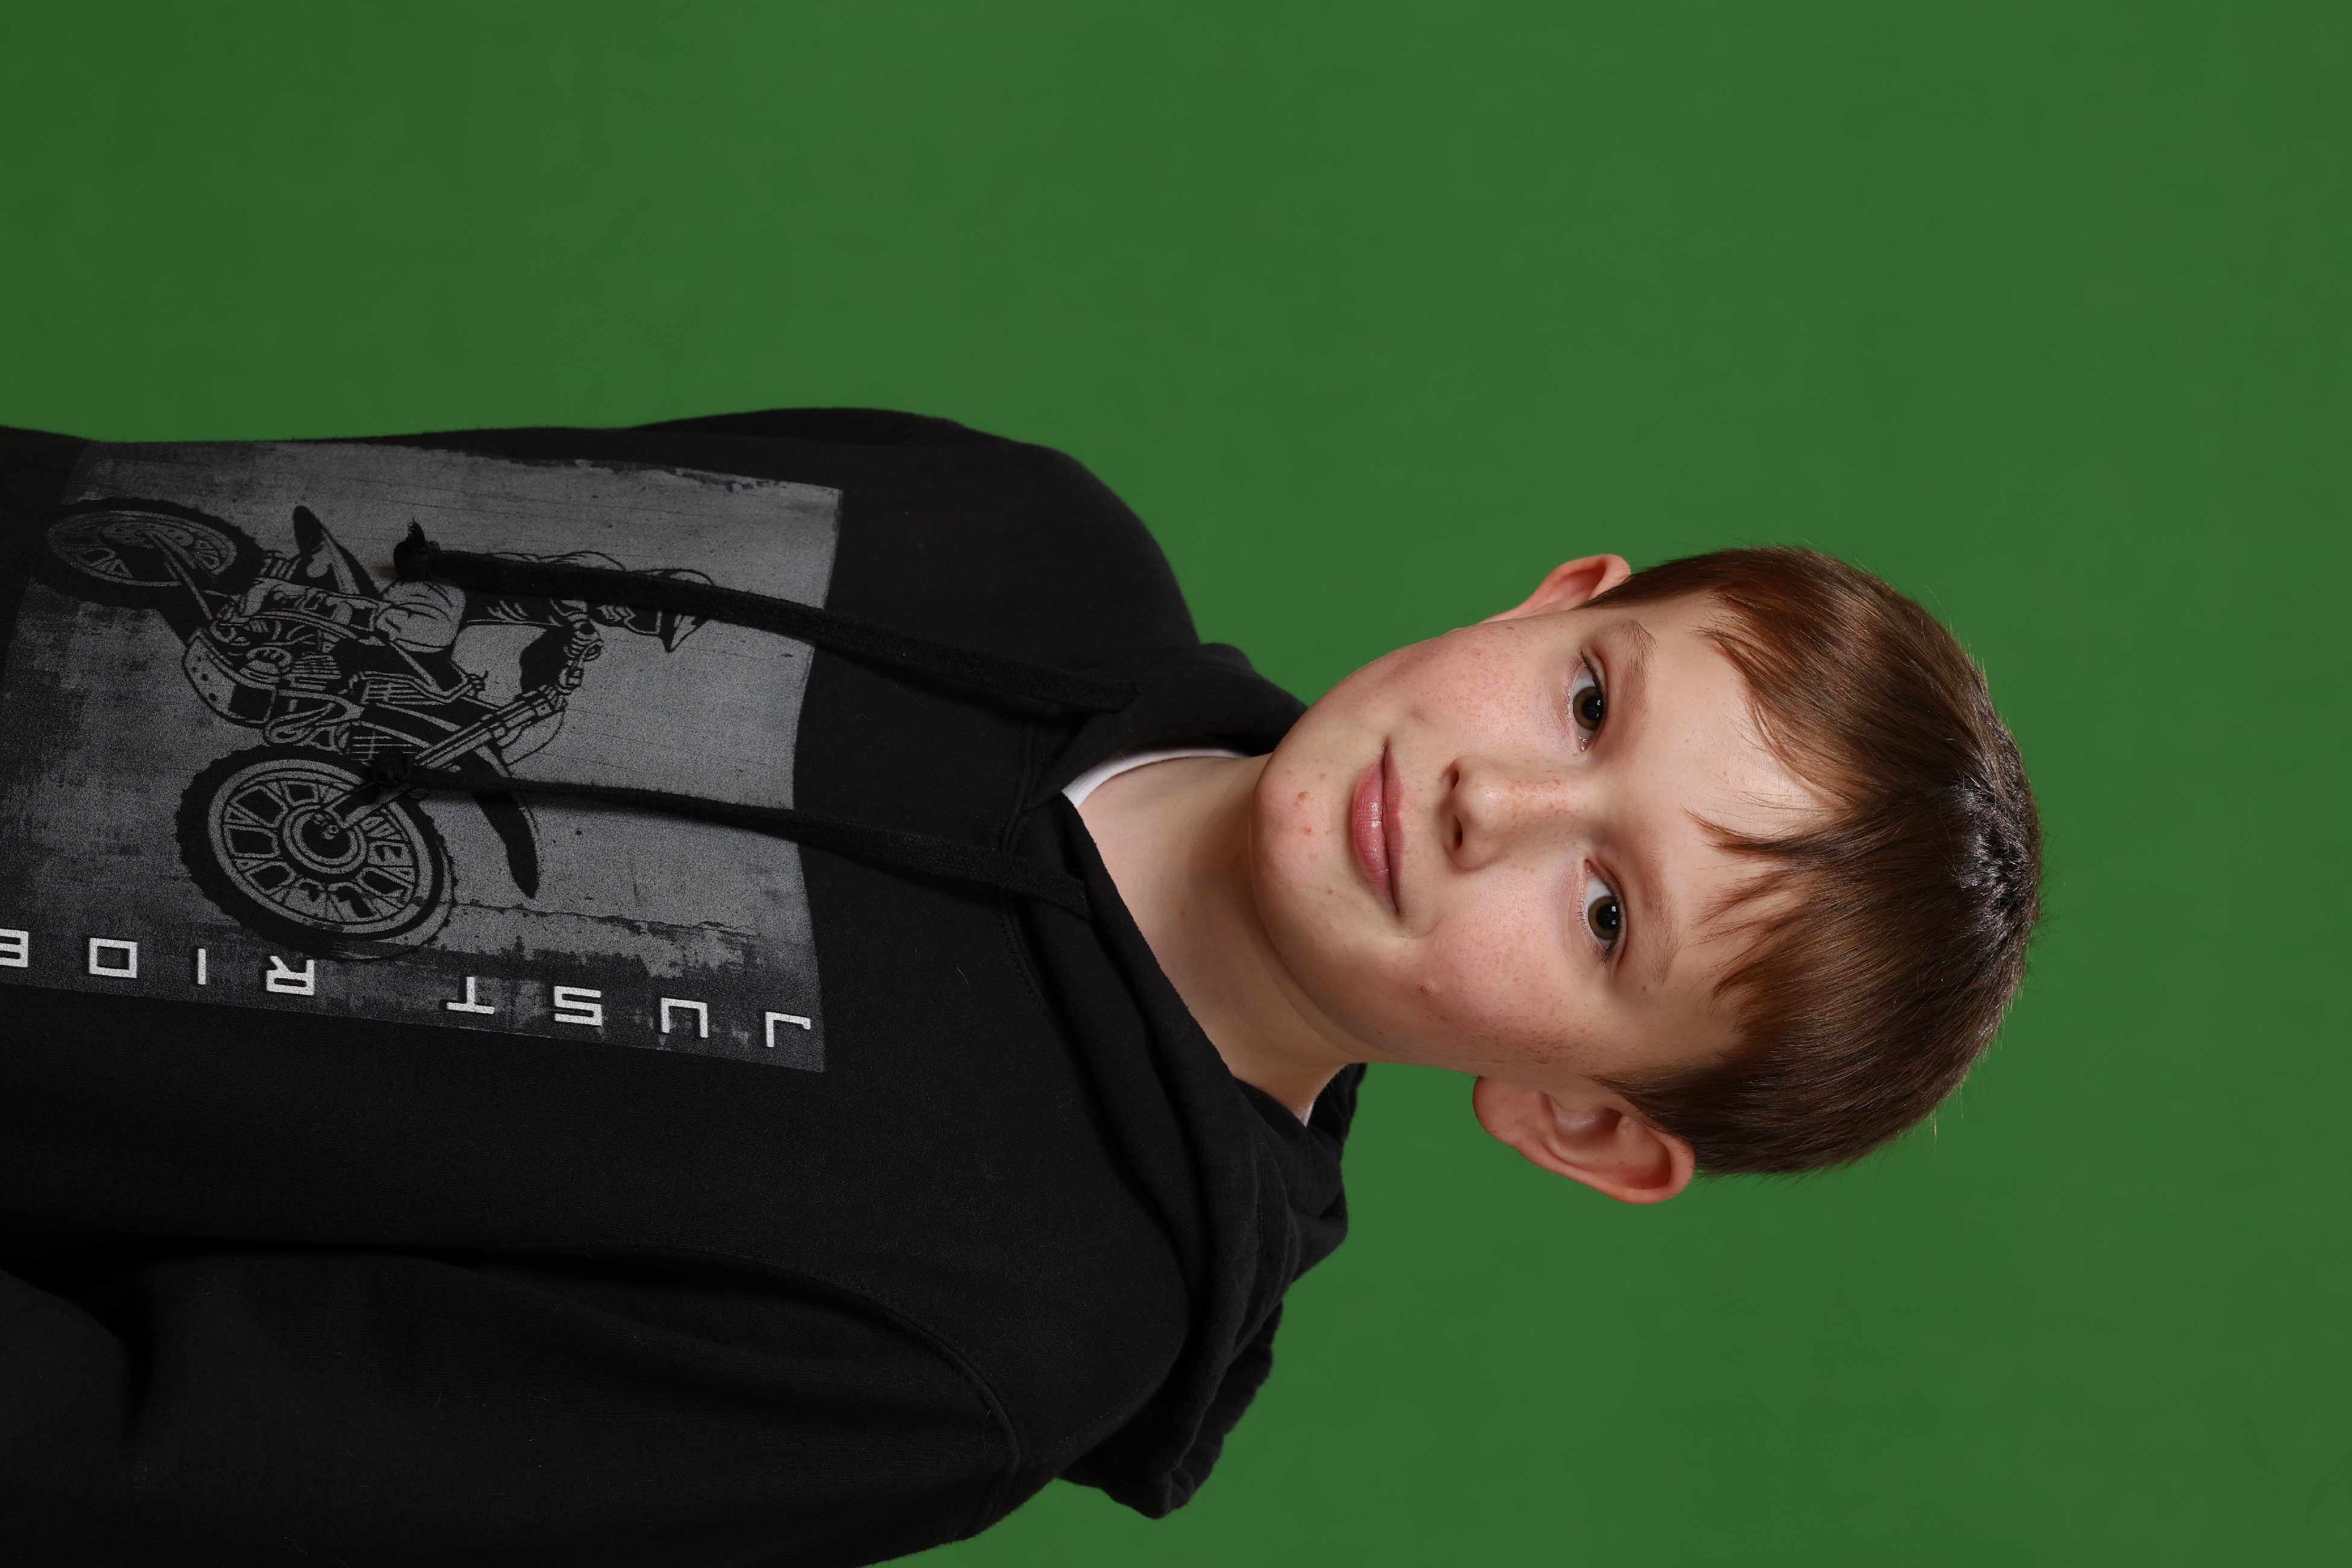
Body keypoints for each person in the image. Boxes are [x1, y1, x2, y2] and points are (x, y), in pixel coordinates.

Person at [0, 408, 2038, 1564]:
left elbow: (147, 1464)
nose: (1492, 799)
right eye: (1587, 704)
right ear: (1558, 598)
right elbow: (209, 511)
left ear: (1582, 1121)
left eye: (1605, 916)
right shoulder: (1011, 539)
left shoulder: (987, 1336)